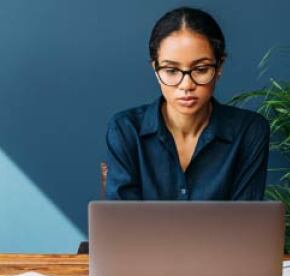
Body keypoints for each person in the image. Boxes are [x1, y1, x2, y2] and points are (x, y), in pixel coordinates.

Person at [105, 6, 270, 200]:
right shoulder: (125, 130)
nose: (186, 85)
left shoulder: (249, 131)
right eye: (171, 71)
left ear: (219, 67)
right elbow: (122, 223)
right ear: (156, 70)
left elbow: (246, 221)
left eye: (200, 69)